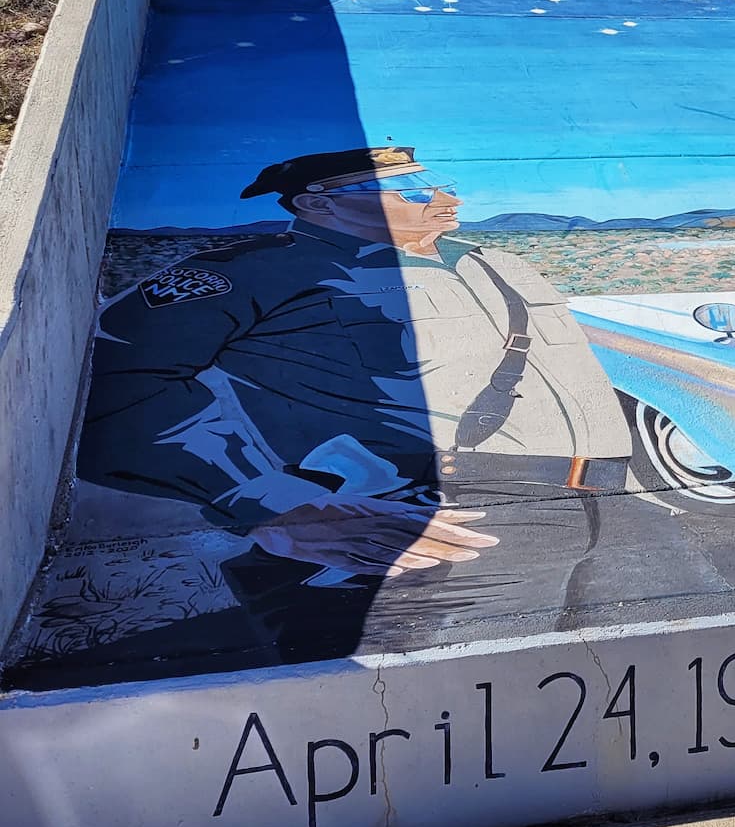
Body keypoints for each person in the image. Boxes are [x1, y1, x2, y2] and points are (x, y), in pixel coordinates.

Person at [77, 144, 630, 664]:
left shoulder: (494, 263)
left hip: (588, 507)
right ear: (321, 202)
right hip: (416, 514)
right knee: (426, 714)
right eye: (412, 191)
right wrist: (264, 497)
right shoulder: (255, 272)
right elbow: (113, 380)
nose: (445, 198)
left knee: (553, 685)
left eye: (442, 185)